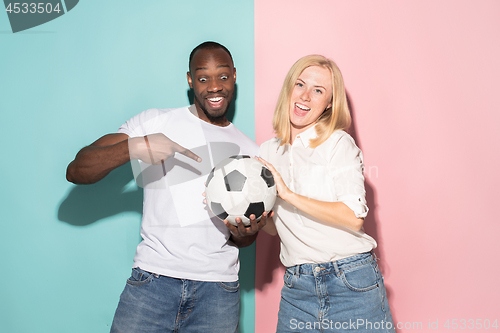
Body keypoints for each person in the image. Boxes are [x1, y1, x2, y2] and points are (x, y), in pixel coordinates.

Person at [66, 41, 267, 333]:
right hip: (152, 284)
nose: (214, 87)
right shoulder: (154, 122)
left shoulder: (251, 151)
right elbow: (77, 170)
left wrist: (246, 233)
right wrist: (138, 146)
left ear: (234, 76)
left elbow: (243, 240)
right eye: (203, 78)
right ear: (190, 80)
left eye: (222, 77)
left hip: (217, 293)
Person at [258, 55, 395, 332]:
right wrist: (252, 217)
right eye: (300, 84)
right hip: (298, 288)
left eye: (318, 90)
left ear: (329, 103)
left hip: (351, 282)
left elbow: (354, 216)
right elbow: (276, 228)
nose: (305, 96)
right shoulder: (268, 151)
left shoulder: (338, 144)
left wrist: (287, 193)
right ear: (289, 89)